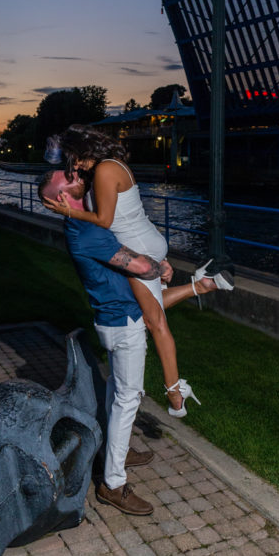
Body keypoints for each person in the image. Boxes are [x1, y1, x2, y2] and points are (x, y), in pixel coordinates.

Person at [42, 125, 234, 416]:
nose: (74, 166)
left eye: (74, 158)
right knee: (148, 308)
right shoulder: (109, 167)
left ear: (83, 150)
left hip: (139, 246)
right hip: (145, 239)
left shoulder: (105, 171)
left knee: (155, 322)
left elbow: (104, 221)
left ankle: (175, 394)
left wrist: (68, 212)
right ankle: (202, 285)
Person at [38, 168, 177, 516]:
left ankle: (121, 449)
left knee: (117, 391)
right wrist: (159, 267)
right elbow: (143, 268)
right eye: (65, 176)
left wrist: (153, 263)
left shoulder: (89, 223)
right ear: (60, 197)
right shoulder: (86, 233)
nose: (74, 172)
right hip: (123, 322)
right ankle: (113, 484)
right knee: (128, 398)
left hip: (117, 318)